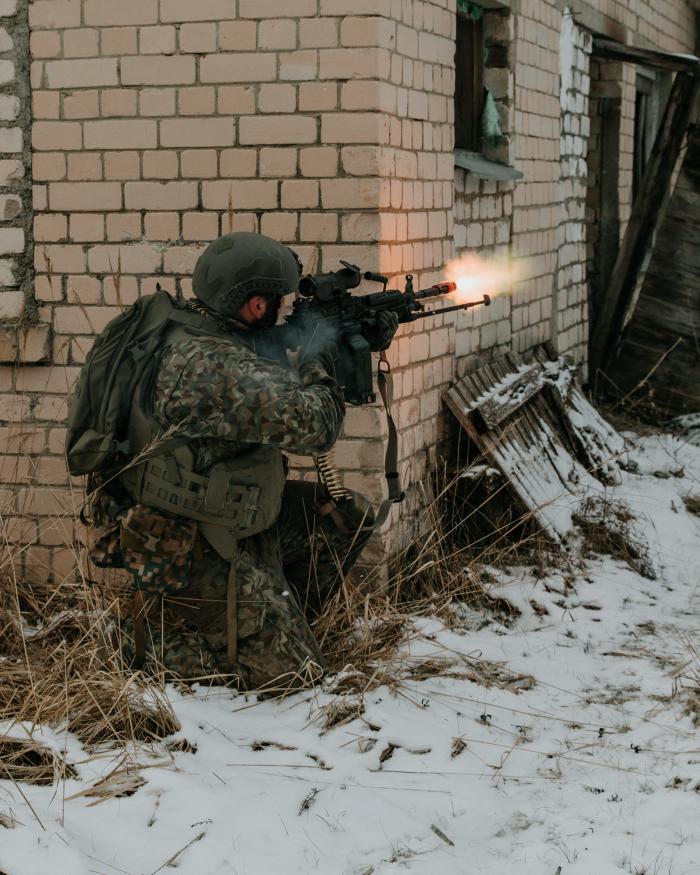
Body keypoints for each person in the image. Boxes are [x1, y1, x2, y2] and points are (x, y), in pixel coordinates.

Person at [87, 232, 398, 691]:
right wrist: (322, 356)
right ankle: (170, 645)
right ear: (255, 305)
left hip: (223, 513)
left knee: (340, 519)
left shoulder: (193, 328)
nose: (281, 308)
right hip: (190, 543)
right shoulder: (211, 364)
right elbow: (315, 424)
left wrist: (346, 341)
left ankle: (272, 617)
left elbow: (261, 378)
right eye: (277, 300)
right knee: (300, 680)